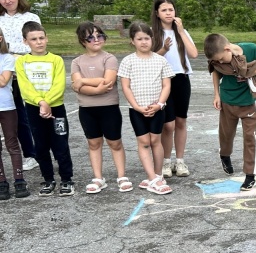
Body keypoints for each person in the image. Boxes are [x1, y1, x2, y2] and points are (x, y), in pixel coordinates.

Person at [204, 33, 256, 191]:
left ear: (227, 49)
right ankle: (225, 155)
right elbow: (215, 72)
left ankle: (250, 175)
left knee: (250, 138)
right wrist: (216, 94)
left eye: (221, 58)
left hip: (249, 102)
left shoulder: (251, 49)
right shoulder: (218, 61)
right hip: (228, 101)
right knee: (226, 134)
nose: (220, 62)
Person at [71, 22, 132, 193]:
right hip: (87, 109)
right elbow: (77, 85)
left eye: (100, 35)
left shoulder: (109, 58)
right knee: (94, 143)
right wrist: (95, 88)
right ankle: (98, 178)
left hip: (109, 107)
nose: (96, 39)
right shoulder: (77, 62)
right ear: (83, 41)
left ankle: (121, 176)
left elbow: (108, 82)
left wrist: (83, 82)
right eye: (91, 37)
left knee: (115, 142)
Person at [15, 21, 75, 196]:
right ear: (26, 41)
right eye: (34, 39)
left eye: (41, 38)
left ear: (47, 38)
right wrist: (40, 102)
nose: (39, 42)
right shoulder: (22, 62)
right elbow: (25, 87)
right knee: (41, 145)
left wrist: (47, 101)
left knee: (60, 144)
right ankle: (48, 179)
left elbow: (59, 84)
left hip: (56, 109)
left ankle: (66, 179)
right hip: (34, 109)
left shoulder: (56, 60)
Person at [117, 21, 174, 195]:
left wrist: (159, 104)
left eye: (147, 38)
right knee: (143, 142)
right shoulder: (128, 61)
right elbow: (126, 86)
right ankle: (152, 178)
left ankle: (156, 175)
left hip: (157, 108)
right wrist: (137, 107)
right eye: (139, 39)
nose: (144, 42)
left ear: (152, 39)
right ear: (132, 41)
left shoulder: (160, 60)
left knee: (155, 141)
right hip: (138, 110)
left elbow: (166, 85)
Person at [151, 0, 198, 178]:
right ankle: (165, 161)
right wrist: (163, 48)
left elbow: (193, 54)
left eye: (171, 9)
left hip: (181, 78)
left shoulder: (181, 32)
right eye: (164, 10)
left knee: (180, 121)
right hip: (163, 80)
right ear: (157, 13)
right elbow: (150, 59)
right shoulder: (153, 33)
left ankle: (179, 161)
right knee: (167, 124)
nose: (168, 13)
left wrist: (181, 30)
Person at [0, 0, 40, 172]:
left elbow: (35, 43)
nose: (7, 1)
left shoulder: (30, 17)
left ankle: (41, 152)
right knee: (17, 116)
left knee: (35, 111)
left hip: (26, 69)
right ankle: (29, 154)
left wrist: (15, 54)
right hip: (7, 73)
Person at [0, 29, 30, 199]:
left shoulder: (7, 58)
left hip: (6, 106)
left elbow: (3, 81)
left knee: (12, 143)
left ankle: (19, 180)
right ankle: (2, 181)